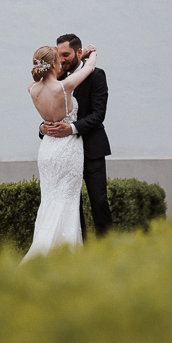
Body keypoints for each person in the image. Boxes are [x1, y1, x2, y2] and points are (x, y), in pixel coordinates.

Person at [21, 43, 98, 263]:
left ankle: (44, 249)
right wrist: (92, 52)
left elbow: (41, 90)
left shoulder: (32, 89)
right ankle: (66, 258)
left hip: (47, 148)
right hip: (67, 148)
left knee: (49, 200)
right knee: (68, 200)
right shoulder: (64, 87)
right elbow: (89, 68)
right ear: (55, 64)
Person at [42, 34, 113, 238]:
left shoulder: (97, 75)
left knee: (99, 201)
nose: (61, 59)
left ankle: (106, 251)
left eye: (66, 54)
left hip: (92, 148)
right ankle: (78, 249)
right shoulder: (56, 79)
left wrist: (71, 128)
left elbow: (98, 115)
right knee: (72, 204)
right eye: (59, 55)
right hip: (64, 152)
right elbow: (48, 112)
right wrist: (43, 128)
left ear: (79, 53)